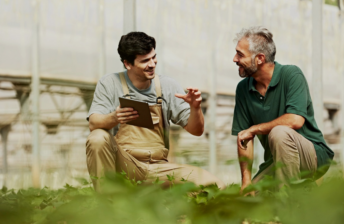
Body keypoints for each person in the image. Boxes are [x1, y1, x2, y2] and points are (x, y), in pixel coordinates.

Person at [86, 32, 224, 191]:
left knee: (215, 186)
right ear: (128, 64)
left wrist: (195, 108)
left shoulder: (168, 85)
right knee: (97, 137)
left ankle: (163, 203)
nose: (152, 64)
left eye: (153, 57)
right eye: (145, 61)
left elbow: (196, 130)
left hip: (158, 169)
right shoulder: (110, 83)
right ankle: (108, 206)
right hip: (126, 164)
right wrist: (114, 117)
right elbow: (93, 123)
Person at [231, 26, 334, 192]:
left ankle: (288, 203)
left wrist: (255, 129)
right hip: (275, 162)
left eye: (240, 54)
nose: (234, 59)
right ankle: (302, 193)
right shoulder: (243, 89)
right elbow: (244, 137)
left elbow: (295, 120)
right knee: (248, 203)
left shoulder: (292, 75)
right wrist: (246, 182)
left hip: (313, 156)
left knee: (279, 132)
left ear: (259, 58)